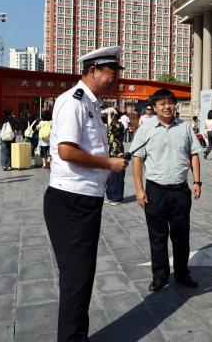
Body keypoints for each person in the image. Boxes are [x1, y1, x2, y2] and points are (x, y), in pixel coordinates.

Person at [43, 46, 129, 342]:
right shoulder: (74, 102)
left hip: (85, 199)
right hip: (71, 201)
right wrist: (109, 164)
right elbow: (67, 151)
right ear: (93, 71)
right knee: (76, 280)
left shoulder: (92, 104)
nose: (116, 79)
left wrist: (109, 161)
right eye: (112, 73)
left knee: (82, 277)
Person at [131, 88, 203, 292]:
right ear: (154, 107)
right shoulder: (145, 130)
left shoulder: (185, 127)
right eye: (162, 103)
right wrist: (139, 189)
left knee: (181, 235)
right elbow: (137, 160)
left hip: (180, 190)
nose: (167, 107)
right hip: (155, 191)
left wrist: (197, 181)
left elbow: (194, 154)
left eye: (170, 102)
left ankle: (182, 273)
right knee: (157, 236)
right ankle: (160, 276)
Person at [104, 108, 126, 206]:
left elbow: (112, 127)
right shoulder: (108, 126)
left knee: (117, 177)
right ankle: (110, 196)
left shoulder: (120, 125)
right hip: (109, 153)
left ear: (115, 115)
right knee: (109, 177)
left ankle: (117, 198)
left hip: (117, 153)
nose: (107, 117)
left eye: (109, 115)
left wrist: (110, 114)